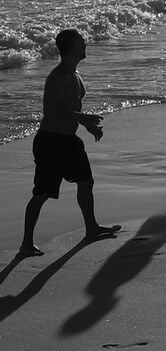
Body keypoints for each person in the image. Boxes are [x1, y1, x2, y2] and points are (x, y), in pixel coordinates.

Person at [19, 30, 121, 256]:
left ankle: (91, 228)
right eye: (81, 41)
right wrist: (82, 118)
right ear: (73, 47)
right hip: (50, 142)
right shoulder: (58, 77)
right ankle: (26, 243)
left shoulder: (75, 73)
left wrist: (86, 124)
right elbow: (53, 110)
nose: (85, 43)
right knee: (42, 193)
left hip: (69, 140)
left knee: (86, 181)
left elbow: (71, 107)